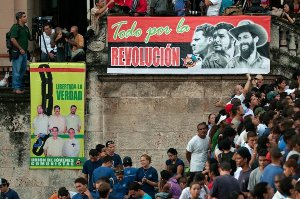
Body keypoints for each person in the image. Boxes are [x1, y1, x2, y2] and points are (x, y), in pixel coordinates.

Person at [10, 11, 31, 94]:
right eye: (24, 16)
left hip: (25, 52)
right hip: (18, 53)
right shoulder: (15, 27)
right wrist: (20, 48)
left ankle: (20, 87)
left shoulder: (25, 28)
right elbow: (12, 39)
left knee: (22, 71)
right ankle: (16, 88)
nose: (26, 18)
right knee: (16, 71)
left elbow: (30, 38)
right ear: (19, 18)